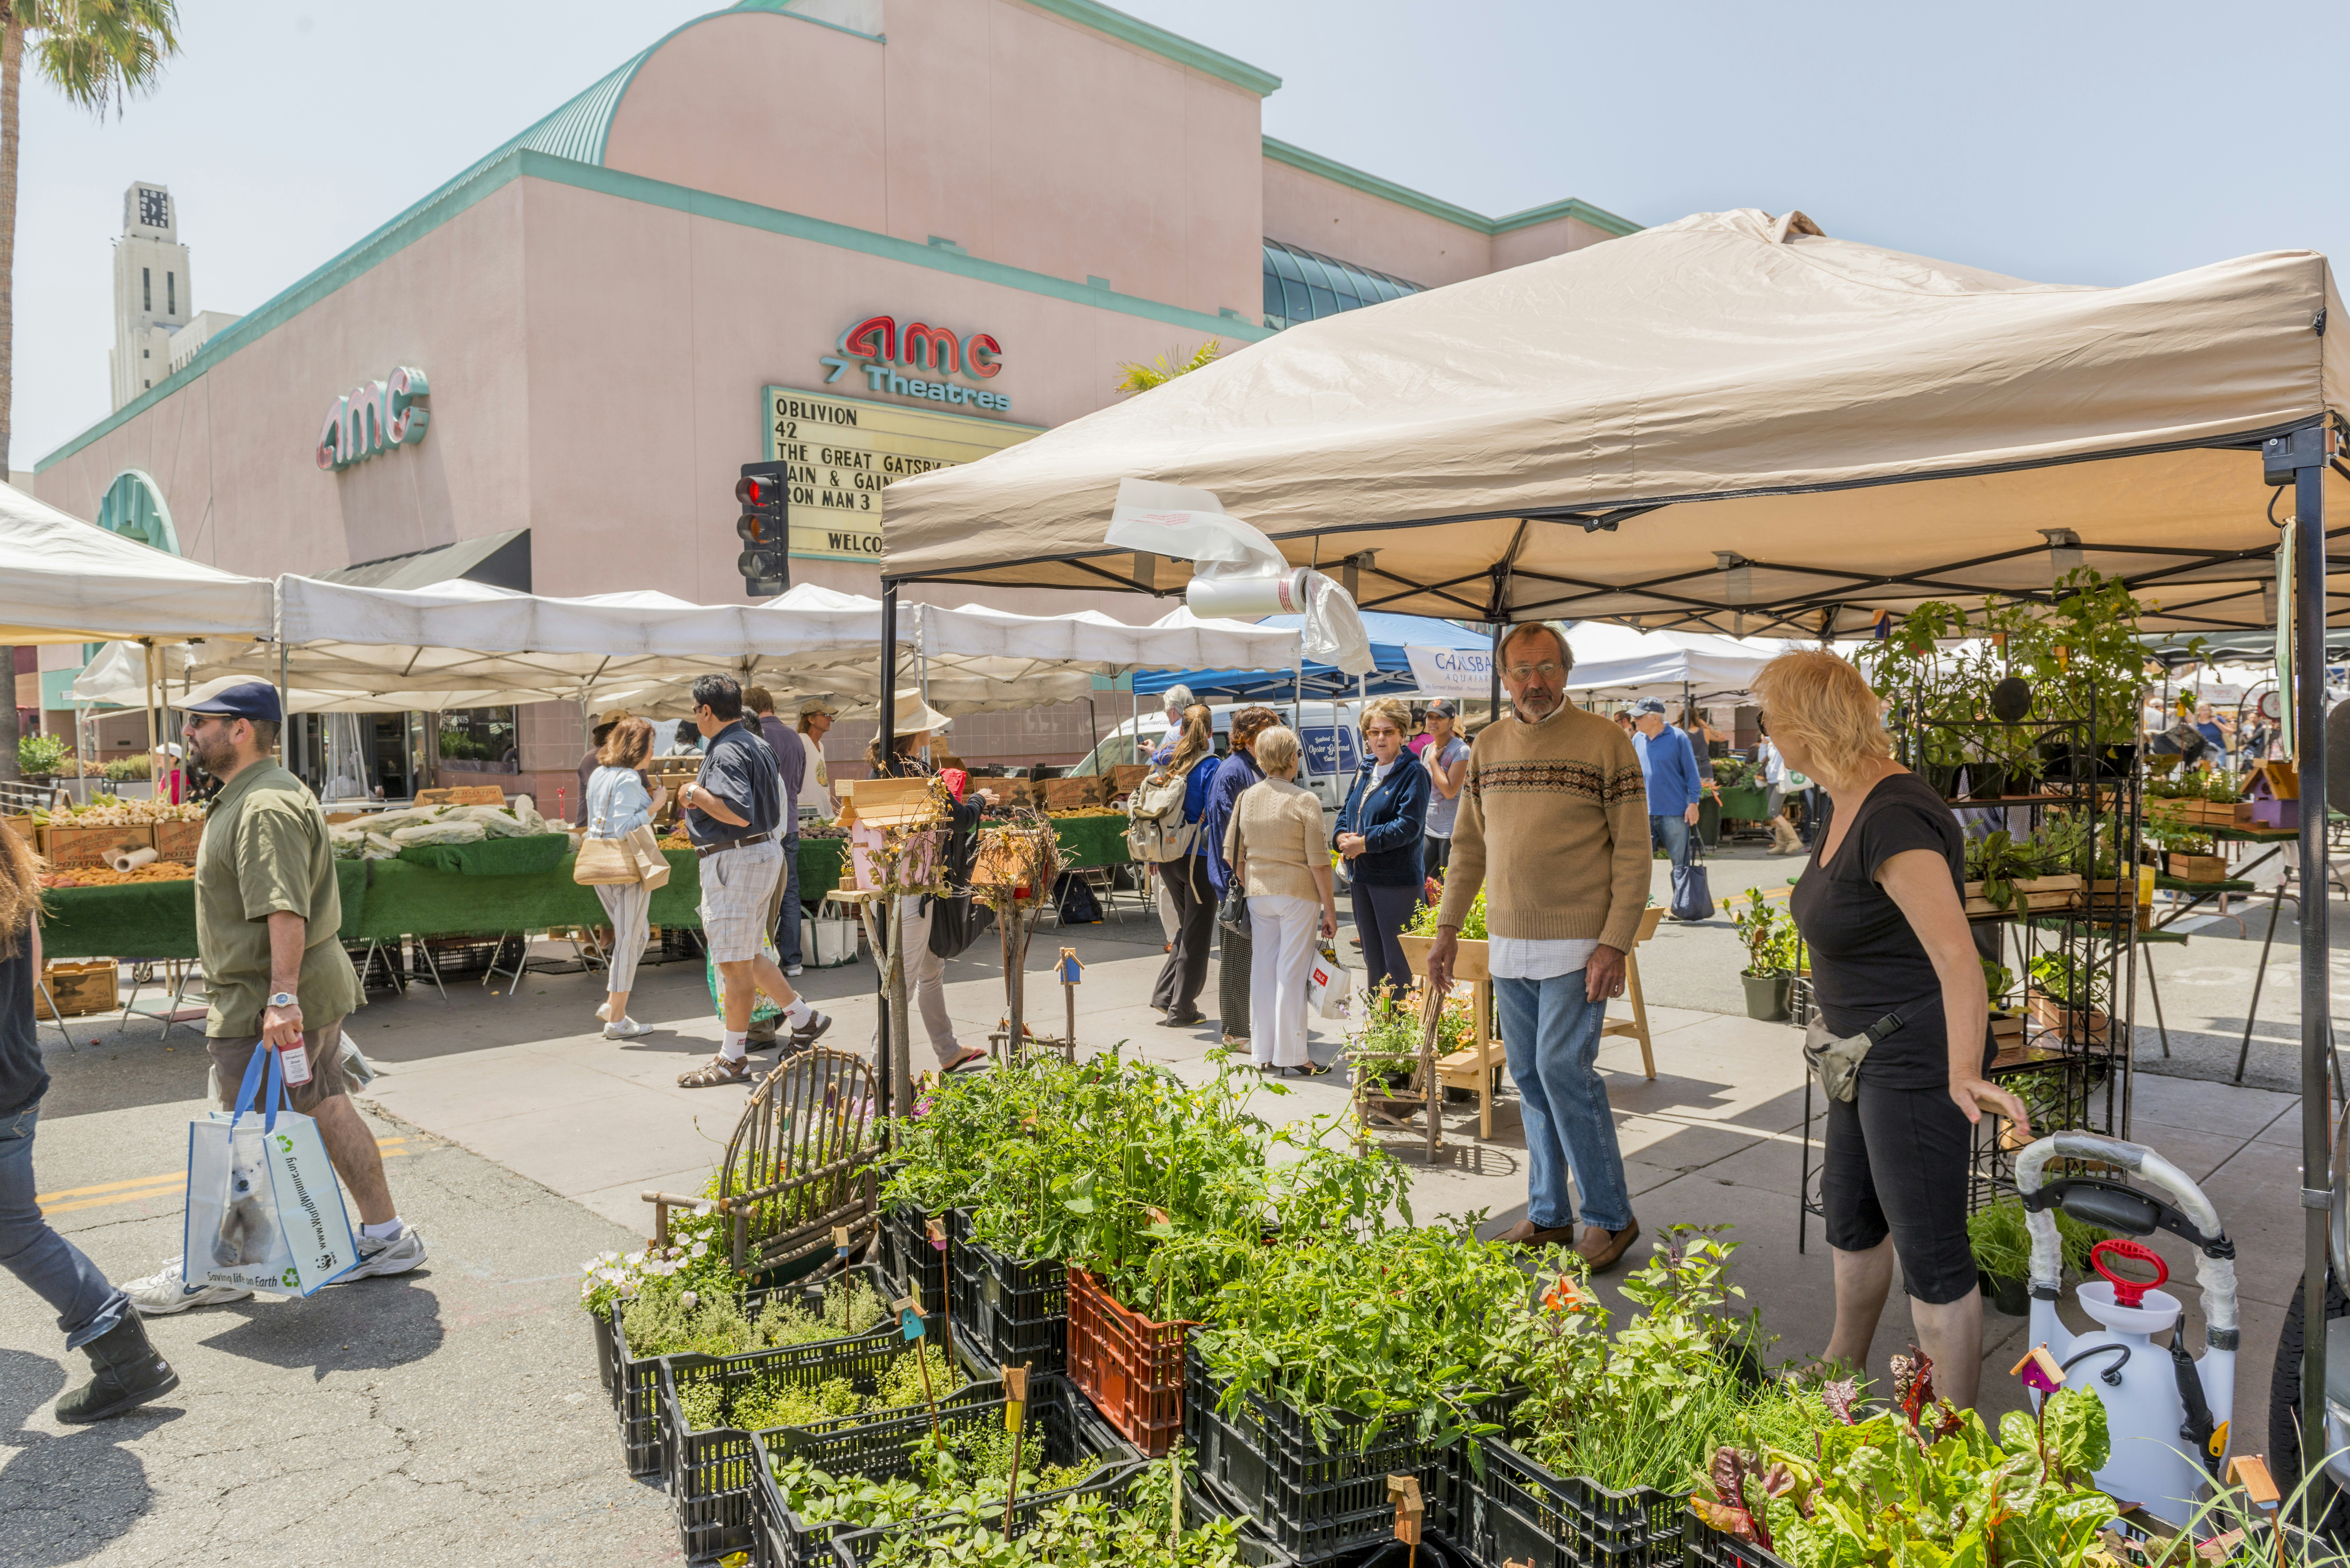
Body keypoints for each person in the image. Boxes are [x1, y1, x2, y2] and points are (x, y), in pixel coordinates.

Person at [1755, 650, 2031, 1410]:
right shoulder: (1839, 798)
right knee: (1850, 1218)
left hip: (1909, 1057)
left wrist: (1963, 1070)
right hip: (1854, 1055)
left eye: (1770, 720)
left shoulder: (1892, 813)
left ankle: (1948, 1439)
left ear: (1805, 727)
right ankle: (1840, 1371)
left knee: (1933, 1253)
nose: (1768, 736)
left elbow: (1957, 957)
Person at [122, 681, 428, 1314]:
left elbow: (283, 909)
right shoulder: (264, 793)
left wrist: (280, 1000)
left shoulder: (262, 804)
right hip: (293, 993)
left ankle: (220, 1266)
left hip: (269, 1000)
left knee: (245, 1133)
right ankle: (385, 1236)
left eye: (200, 721)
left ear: (240, 729)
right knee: (325, 1105)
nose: (189, 732)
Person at [1425, 624, 1647, 1272]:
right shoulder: (1487, 746)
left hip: (1581, 944)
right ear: (1503, 678)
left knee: (1560, 1069)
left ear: (1567, 671)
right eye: (1521, 670)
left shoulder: (1607, 743)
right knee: (1526, 1077)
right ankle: (1549, 1213)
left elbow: (1634, 851)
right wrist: (1446, 929)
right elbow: (1466, 848)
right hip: (1509, 941)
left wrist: (1613, 942)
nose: (1534, 682)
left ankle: (1610, 1215)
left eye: (1546, 667)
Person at [3, 829, 181, 1420]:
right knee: (17, 1229)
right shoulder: (12, 875)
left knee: (18, 1232)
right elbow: (29, 981)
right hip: (16, 1080)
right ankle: (126, 1357)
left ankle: (127, 1357)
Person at [673, 675, 830, 1088]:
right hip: (760, 854)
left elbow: (737, 811)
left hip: (735, 858)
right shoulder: (756, 743)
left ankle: (733, 1058)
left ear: (706, 711)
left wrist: (693, 792)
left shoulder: (726, 750)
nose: (696, 717)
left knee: (733, 964)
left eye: (696, 710)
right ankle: (803, 1017)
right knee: (748, 953)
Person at [869, 700, 987, 1074]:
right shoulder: (917, 771)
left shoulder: (880, 771)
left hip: (888, 883)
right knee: (901, 981)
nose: (932, 732)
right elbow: (962, 819)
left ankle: (947, 1050)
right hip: (915, 887)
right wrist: (982, 800)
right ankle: (880, 1068)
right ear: (914, 732)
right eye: (926, 725)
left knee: (929, 969)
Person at [1224, 725, 1338, 1076]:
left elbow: (1233, 854)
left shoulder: (1248, 797)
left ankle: (1263, 1052)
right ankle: (1295, 1055)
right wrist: (1330, 910)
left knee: (1262, 971)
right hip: (1297, 894)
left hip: (1259, 894)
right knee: (1291, 974)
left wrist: (1249, 880)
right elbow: (1319, 862)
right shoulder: (1305, 800)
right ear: (1292, 759)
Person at [1336, 697, 1431, 1003]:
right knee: (1374, 959)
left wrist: (1363, 843)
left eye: (1388, 732)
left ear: (1402, 734)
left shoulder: (1413, 773)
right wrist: (1340, 837)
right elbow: (1346, 812)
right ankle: (1381, 1025)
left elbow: (1409, 826)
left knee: (1399, 962)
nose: (1380, 739)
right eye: (1374, 732)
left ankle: (1402, 1031)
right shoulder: (1365, 769)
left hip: (1396, 881)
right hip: (1362, 878)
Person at [585, 717, 669, 1040]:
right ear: (638, 748)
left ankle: (612, 1005)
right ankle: (617, 1018)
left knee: (637, 934)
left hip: (599, 864)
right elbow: (624, 828)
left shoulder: (599, 774)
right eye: (650, 746)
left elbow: (603, 820)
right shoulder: (629, 779)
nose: (652, 753)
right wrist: (656, 805)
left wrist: (650, 804)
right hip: (626, 865)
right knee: (630, 938)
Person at [1202, 707, 1278, 1048]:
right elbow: (1225, 833)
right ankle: (1234, 1030)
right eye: (1266, 730)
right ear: (1245, 736)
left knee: (1255, 956)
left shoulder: (1255, 766)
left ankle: (1249, 1025)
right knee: (1235, 956)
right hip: (1237, 882)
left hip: (1258, 877)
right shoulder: (1232, 771)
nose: (1272, 736)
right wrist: (1239, 877)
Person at [1148, 705, 1221, 1028]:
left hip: (1167, 856)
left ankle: (1165, 996)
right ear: (1208, 733)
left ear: (1181, 731)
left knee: (1188, 927)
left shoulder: (1167, 760)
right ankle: (1182, 1008)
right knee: (1198, 932)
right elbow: (1216, 814)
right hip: (1198, 858)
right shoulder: (1211, 767)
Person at [744, 686, 808, 980]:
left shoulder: (753, 739)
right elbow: (798, 783)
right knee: (791, 894)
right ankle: (793, 961)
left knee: (760, 899)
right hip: (791, 824)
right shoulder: (795, 737)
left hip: (761, 829)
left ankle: (763, 961)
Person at [1630, 697, 1703, 897]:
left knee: (1680, 864)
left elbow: (1692, 774)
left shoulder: (1679, 738)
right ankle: (1641, 906)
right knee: (1640, 865)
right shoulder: (1637, 739)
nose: (1634, 721)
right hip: (1645, 813)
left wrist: (1694, 804)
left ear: (1655, 718)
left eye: (1639, 717)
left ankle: (1683, 905)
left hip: (1674, 812)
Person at [1148, 686, 1195, 951]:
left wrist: (1155, 753)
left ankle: (1175, 938)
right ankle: (1184, 934)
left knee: (1166, 884)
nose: (1167, 714)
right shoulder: (1204, 736)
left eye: (1167, 710)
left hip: (1172, 816)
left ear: (1174, 710)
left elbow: (1158, 776)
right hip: (1193, 818)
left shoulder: (1174, 732)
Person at [1421, 699, 1469, 885]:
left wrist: (1434, 762)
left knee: (1450, 885)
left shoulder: (1462, 751)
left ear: (1451, 722)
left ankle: (1445, 915)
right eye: (1430, 717)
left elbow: (1450, 791)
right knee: (1418, 879)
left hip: (1451, 831)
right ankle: (1421, 916)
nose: (1433, 721)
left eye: (1439, 718)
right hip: (1428, 828)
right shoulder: (1427, 749)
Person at [576, 708, 629, 827]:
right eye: (627, 732)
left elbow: (647, 790)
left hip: (624, 827)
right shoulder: (593, 759)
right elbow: (603, 797)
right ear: (610, 733)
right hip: (594, 830)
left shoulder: (631, 758)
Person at [1757, 727, 1803, 856]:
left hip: (1780, 781)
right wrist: (1763, 745)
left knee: (1772, 812)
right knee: (1776, 812)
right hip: (1772, 781)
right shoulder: (1771, 744)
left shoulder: (1780, 741)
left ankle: (1794, 841)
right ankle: (1782, 845)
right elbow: (1762, 760)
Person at [795, 698, 839, 821]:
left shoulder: (821, 745)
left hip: (823, 813)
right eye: (825, 715)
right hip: (806, 814)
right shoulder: (802, 742)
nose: (830, 718)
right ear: (811, 719)